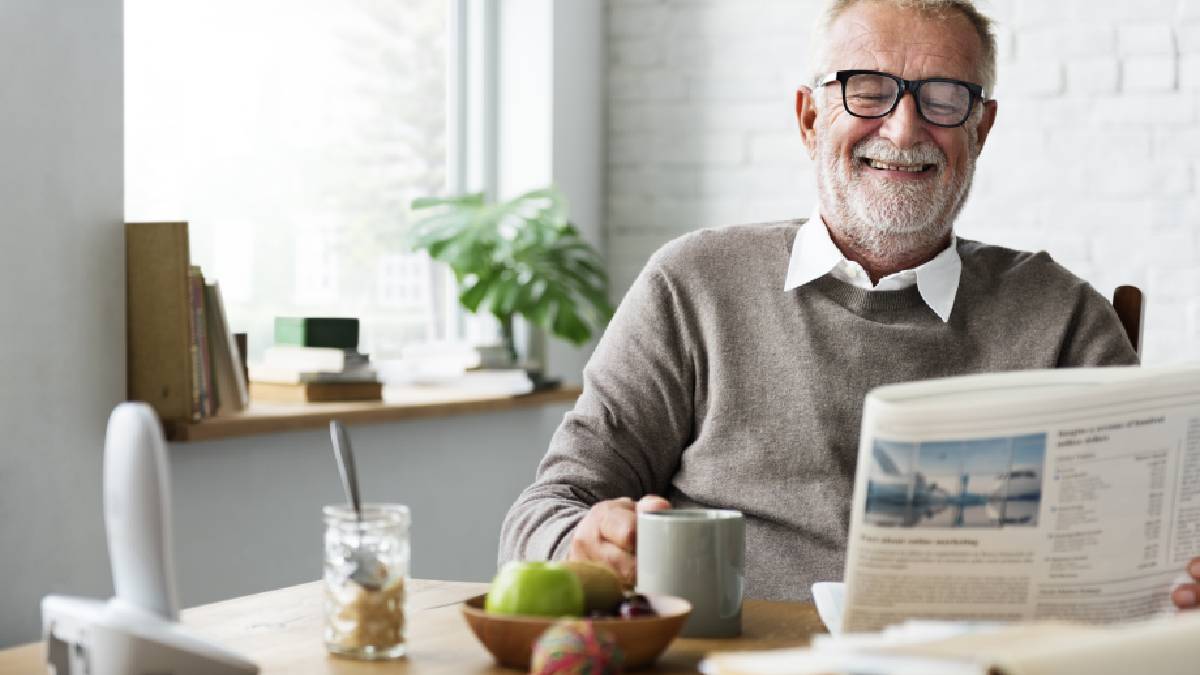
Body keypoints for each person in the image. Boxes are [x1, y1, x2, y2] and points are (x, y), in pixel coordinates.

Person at [499, 0, 1167, 603]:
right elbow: (547, 509)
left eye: (943, 98)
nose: (904, 129)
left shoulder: (1065, 320)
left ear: (981, 129)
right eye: (868, 91)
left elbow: (1145, 555)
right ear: (809, 117)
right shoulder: (693, 285)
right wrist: (581, 540)